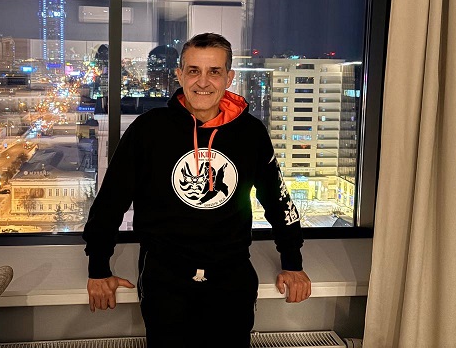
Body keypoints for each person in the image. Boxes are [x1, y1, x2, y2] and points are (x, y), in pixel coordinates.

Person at [82, 33, 311, 347]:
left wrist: (292, 262)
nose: (203, 82)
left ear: (229, 77)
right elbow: (111, 201)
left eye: (214, 71)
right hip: (165, 280)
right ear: (180, 75)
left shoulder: (251, 133)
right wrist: (98, 267)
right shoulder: (148, 130)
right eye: (193, 71)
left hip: (231, 279)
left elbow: (278, 200)